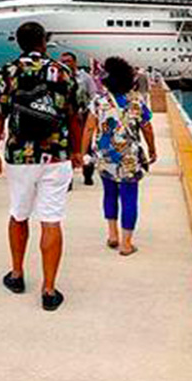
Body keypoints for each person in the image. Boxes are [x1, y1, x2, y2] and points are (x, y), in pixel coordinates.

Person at [0, 22, 82, 312]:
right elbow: (74, 115)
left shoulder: (7, 71)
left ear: (19, 43)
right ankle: (49, 290)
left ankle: (17, 275)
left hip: (20, 156)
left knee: (18, 214)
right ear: (43, 42)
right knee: (51, 220)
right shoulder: (63, 72)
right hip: (56, 155)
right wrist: (77, 151)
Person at [79, 56, 158, 257]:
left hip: (105, 156)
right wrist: (152, 149)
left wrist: (82, 152)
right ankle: (126, 244)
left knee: (110, 193)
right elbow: (147, 128)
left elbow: (88, 128)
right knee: (129, 197)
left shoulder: (99, 101)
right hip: (129, 157)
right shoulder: (136, 102)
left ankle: (112, 235)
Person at [59, 52, 98, 186]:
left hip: (83, 118)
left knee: (85, 147)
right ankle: (68, 179)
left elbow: (94, 96)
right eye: (63, 61)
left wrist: (88, 113)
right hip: (64, 119)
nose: (65, 64)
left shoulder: (85, 78)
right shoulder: (59, 77)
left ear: (75, 62)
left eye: (68, 61)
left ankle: (88, 174)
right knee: (66, 147)